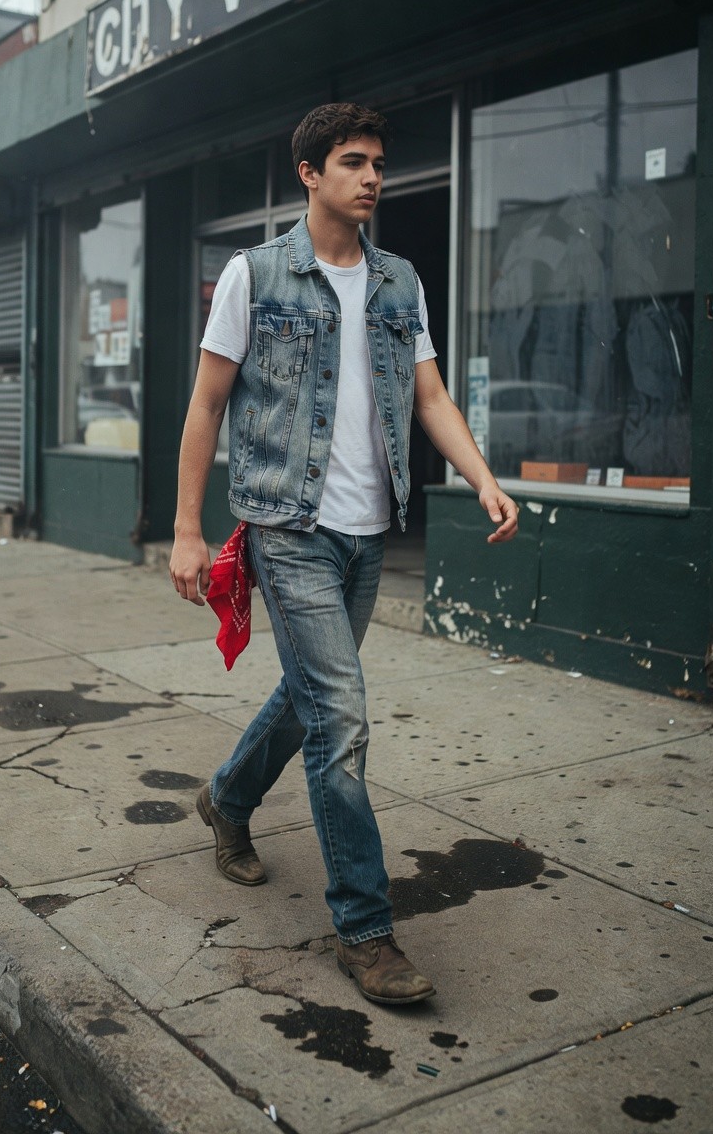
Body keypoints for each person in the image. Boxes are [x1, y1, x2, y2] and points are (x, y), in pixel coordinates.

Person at [170, 103, 518, 1006]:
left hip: (370, 534)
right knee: (344, 722)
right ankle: (365, 930)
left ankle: (228, 799)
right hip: (289, 532)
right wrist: (186, 530)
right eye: (352, 162)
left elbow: (431, 396)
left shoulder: (401, 282)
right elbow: (206, 406)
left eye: (377, 164)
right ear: (310, 174)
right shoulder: (256, 276)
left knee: (311, 701)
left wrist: (481, 476)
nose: (371, 177)